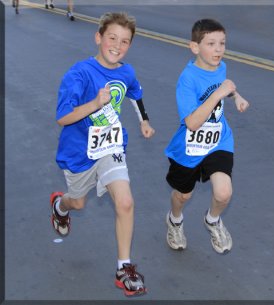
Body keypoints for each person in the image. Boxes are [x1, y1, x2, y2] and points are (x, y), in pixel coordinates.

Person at [50, 12, 155, 297]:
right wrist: (96, 103)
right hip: (79, 152)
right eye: (112, 38)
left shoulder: (126, 72)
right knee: (79, 203)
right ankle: (61, 206)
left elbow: (135, 93)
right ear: (98, 38)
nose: (117, 45)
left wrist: (144, 120)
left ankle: (124, 268)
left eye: (125, 41)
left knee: (125, 202)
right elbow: (63, 117)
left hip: (110, 147)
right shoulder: (79, 74)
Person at [164, 18, 250, 254]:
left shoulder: (219, 66)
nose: (219, 49)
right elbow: (191, 122)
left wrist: (236, 96)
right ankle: (175, 220)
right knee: (183, 195)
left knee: (224, 193)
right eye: (211, 44)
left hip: (218, 141)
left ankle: (213, 220)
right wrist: (218, 95)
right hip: (190, 147)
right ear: (195, 47)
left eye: (222, 43)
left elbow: (224, 85)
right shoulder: (187, 79)